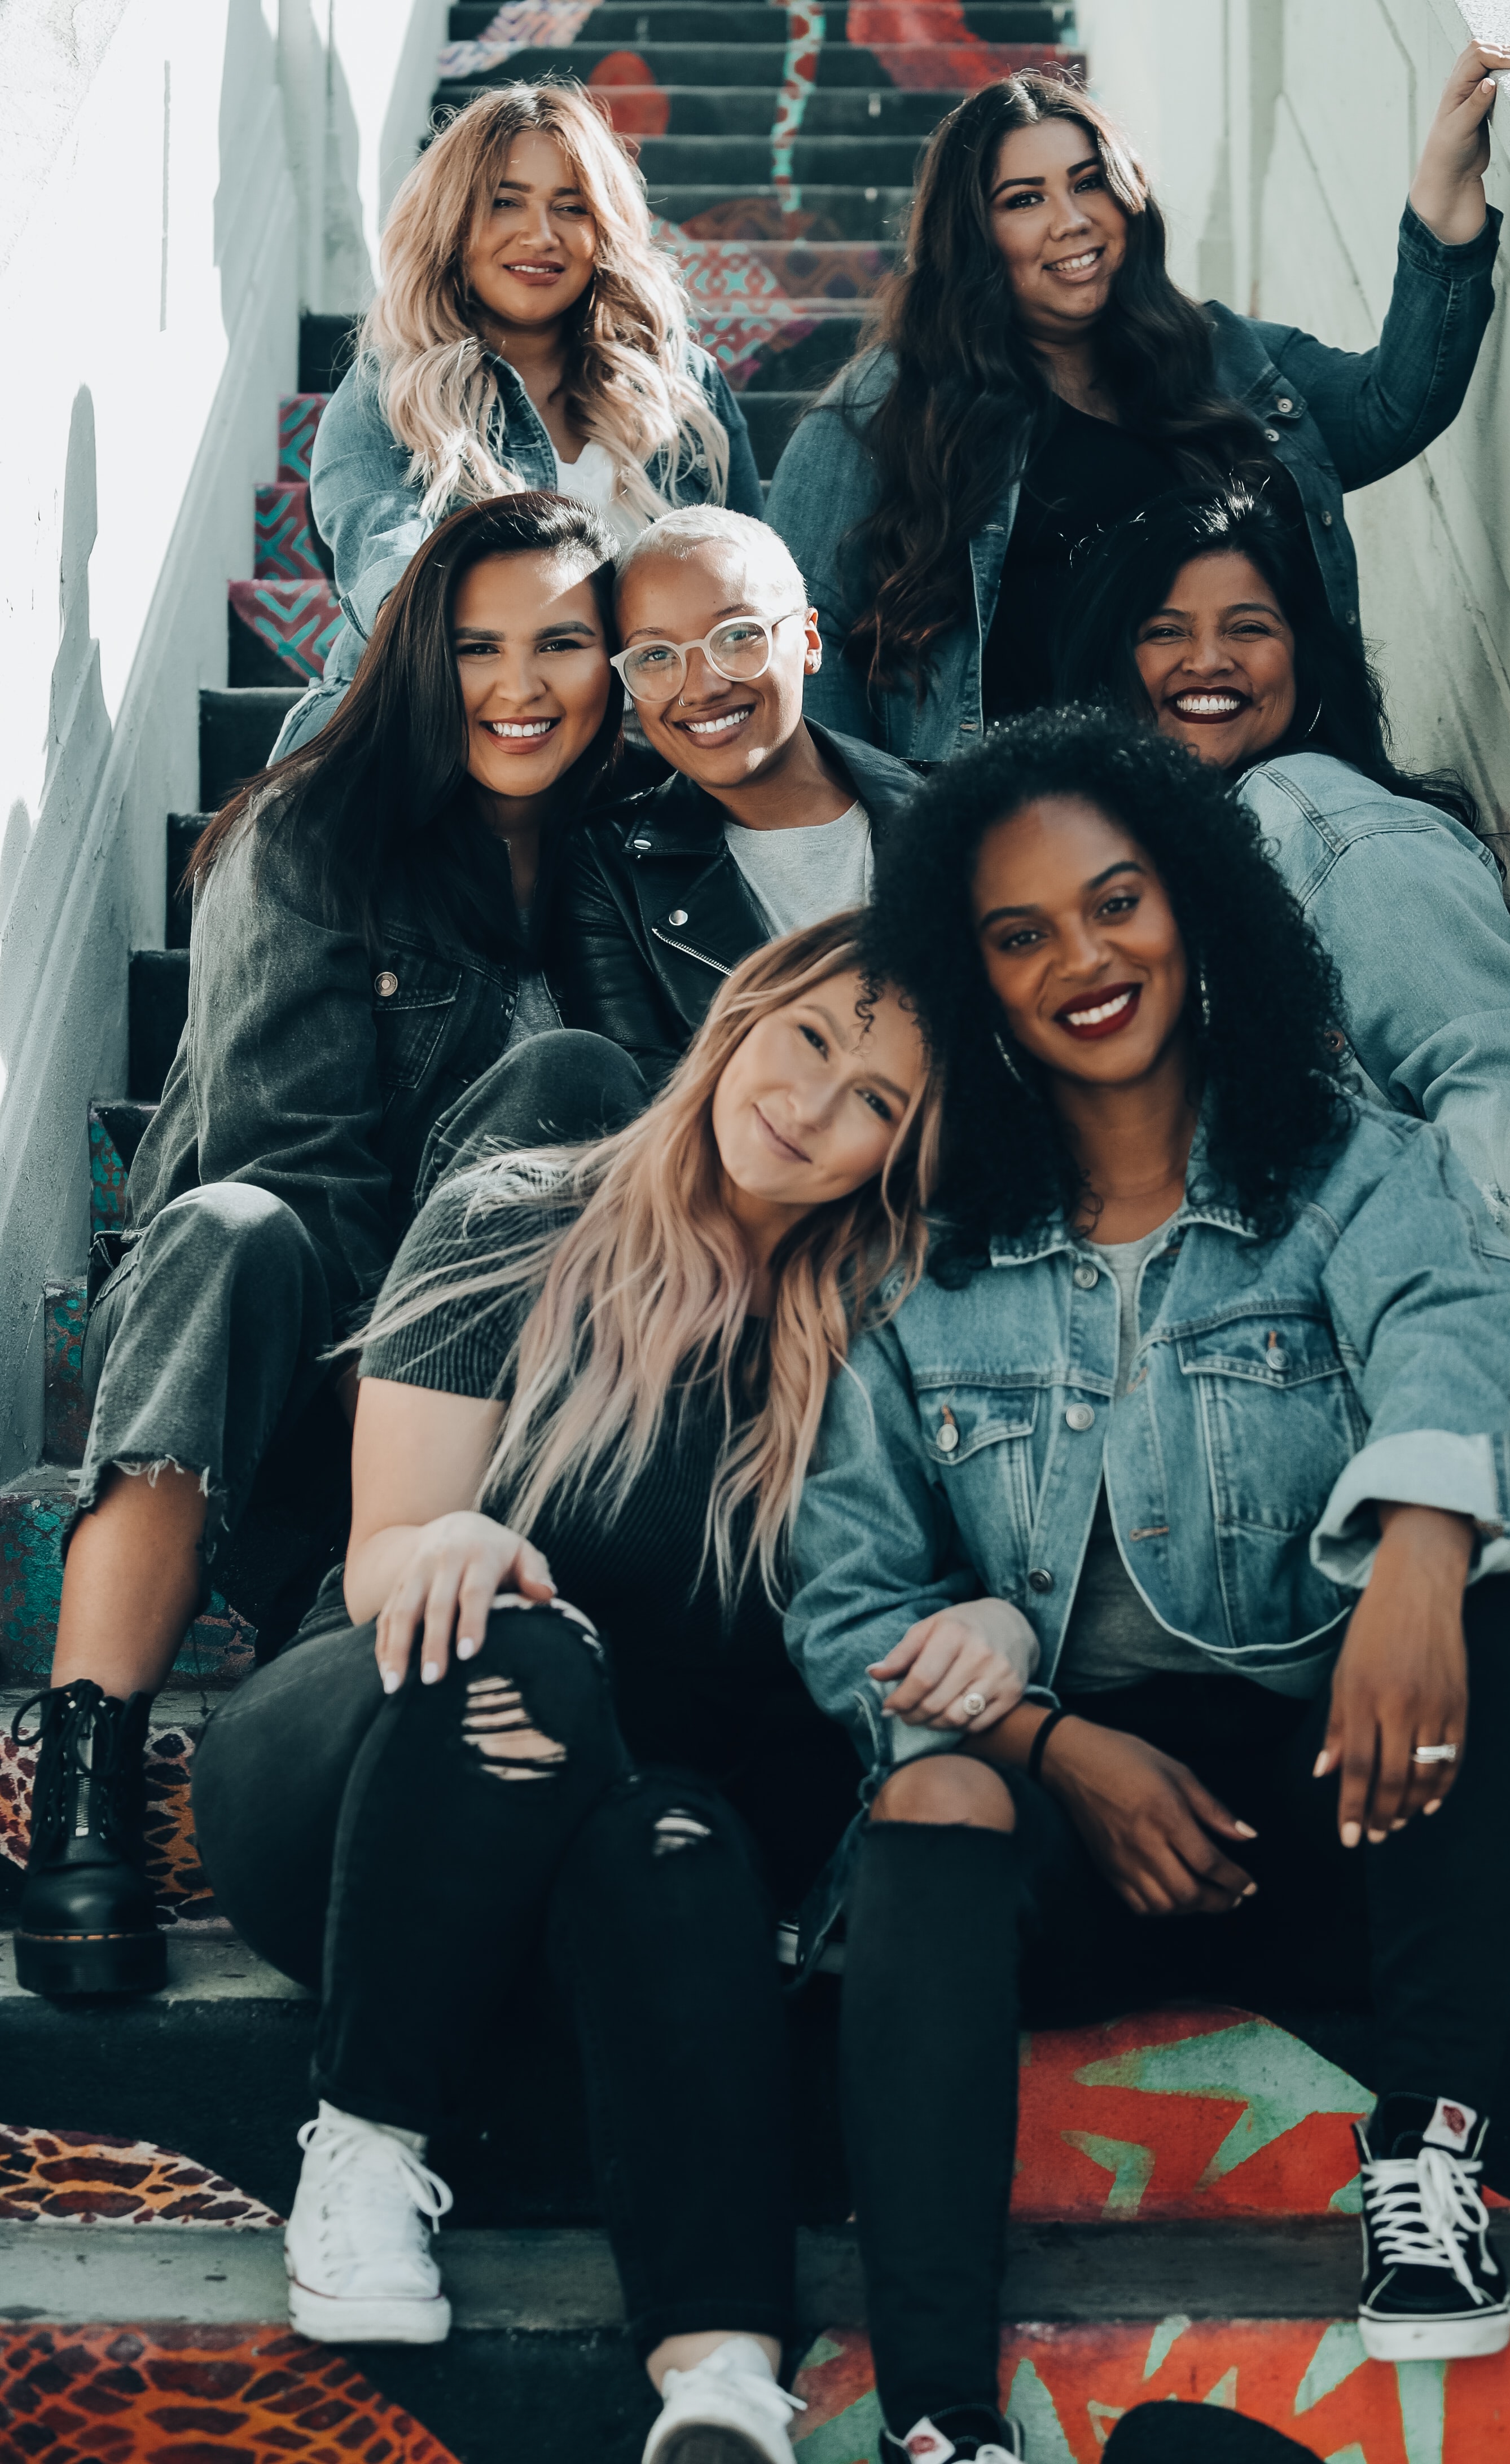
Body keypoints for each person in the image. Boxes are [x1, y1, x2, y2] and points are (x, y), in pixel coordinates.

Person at [787, 711, 1510, 2462]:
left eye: (1115, 901)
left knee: (1501, 1617)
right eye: (1018, 935)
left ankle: (1423, 2153)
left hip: (1347, 1794)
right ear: (967, 981)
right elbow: (846, 1602)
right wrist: (1060, 1746)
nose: (1082, 958)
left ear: (1193, 908)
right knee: (921, 1790)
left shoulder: (1345, 1168)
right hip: (1089, 1838)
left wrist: (1421, 1554)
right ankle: (937, 2418)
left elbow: (1465, 1329)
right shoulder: (916, 1266)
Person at [188, 918, 943, 2464]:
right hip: (360, 1772)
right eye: (813, 1035)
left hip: (605, 1886)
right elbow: (385, 1549)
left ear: (897, 1156)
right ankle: (367, 2144)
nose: (813, 1100)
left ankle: (723, 2383)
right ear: (745, 1013)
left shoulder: (871, 1331)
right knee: (527, 1636)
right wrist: (460, 1540)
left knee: (680, 1831)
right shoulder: (516, 1215)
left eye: (876, 1097)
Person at [12, 493, 646, 2001]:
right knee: (224, 1235)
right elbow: (274, 1174)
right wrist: (403, 1417)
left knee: (578, 1090)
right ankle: (89, 1774)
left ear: (619, 664)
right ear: (421, 655)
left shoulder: (637, 862)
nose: (519, 683)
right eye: (478, 644)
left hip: (526, 1411)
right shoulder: (311, 834)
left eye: (564, 642)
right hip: (304, 1376)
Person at [1059, 481, 1510, 1480]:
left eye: (1249, 627)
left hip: (1493, 1331)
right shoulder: (1157, 872)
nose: (1207, 661)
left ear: (1303, 661)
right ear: (1119, 667)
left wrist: (1418, 1335)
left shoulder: (1308, 812)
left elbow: (1506, 1068)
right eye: (1166, 632)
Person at [763, 43, 1510, 758]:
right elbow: (803, 635)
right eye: (1024, 199)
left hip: (1258, 803)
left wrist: (1442, 204)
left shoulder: (1221, 356)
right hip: (1038, 841)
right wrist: (870, 840)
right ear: (973, 237)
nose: (1073, 219)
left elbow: (1388, 409)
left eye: (1090, 180)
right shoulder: (886, 409)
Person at [274, 81, 762, 759]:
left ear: (604, 231)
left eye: (571, 206)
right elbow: (395, 592)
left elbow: (749, 589)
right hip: (439, 746)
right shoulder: (391, 393)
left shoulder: (680, 387)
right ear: (453, 220)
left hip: (643, 761)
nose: (541, 235)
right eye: (505, 201)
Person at [554, 507, 916, 1084]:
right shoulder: (607, 871)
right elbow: (655, 1113)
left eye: (738, 635)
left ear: (808, 639)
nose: (701, 687)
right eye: (654, 656)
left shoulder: (961, 811)